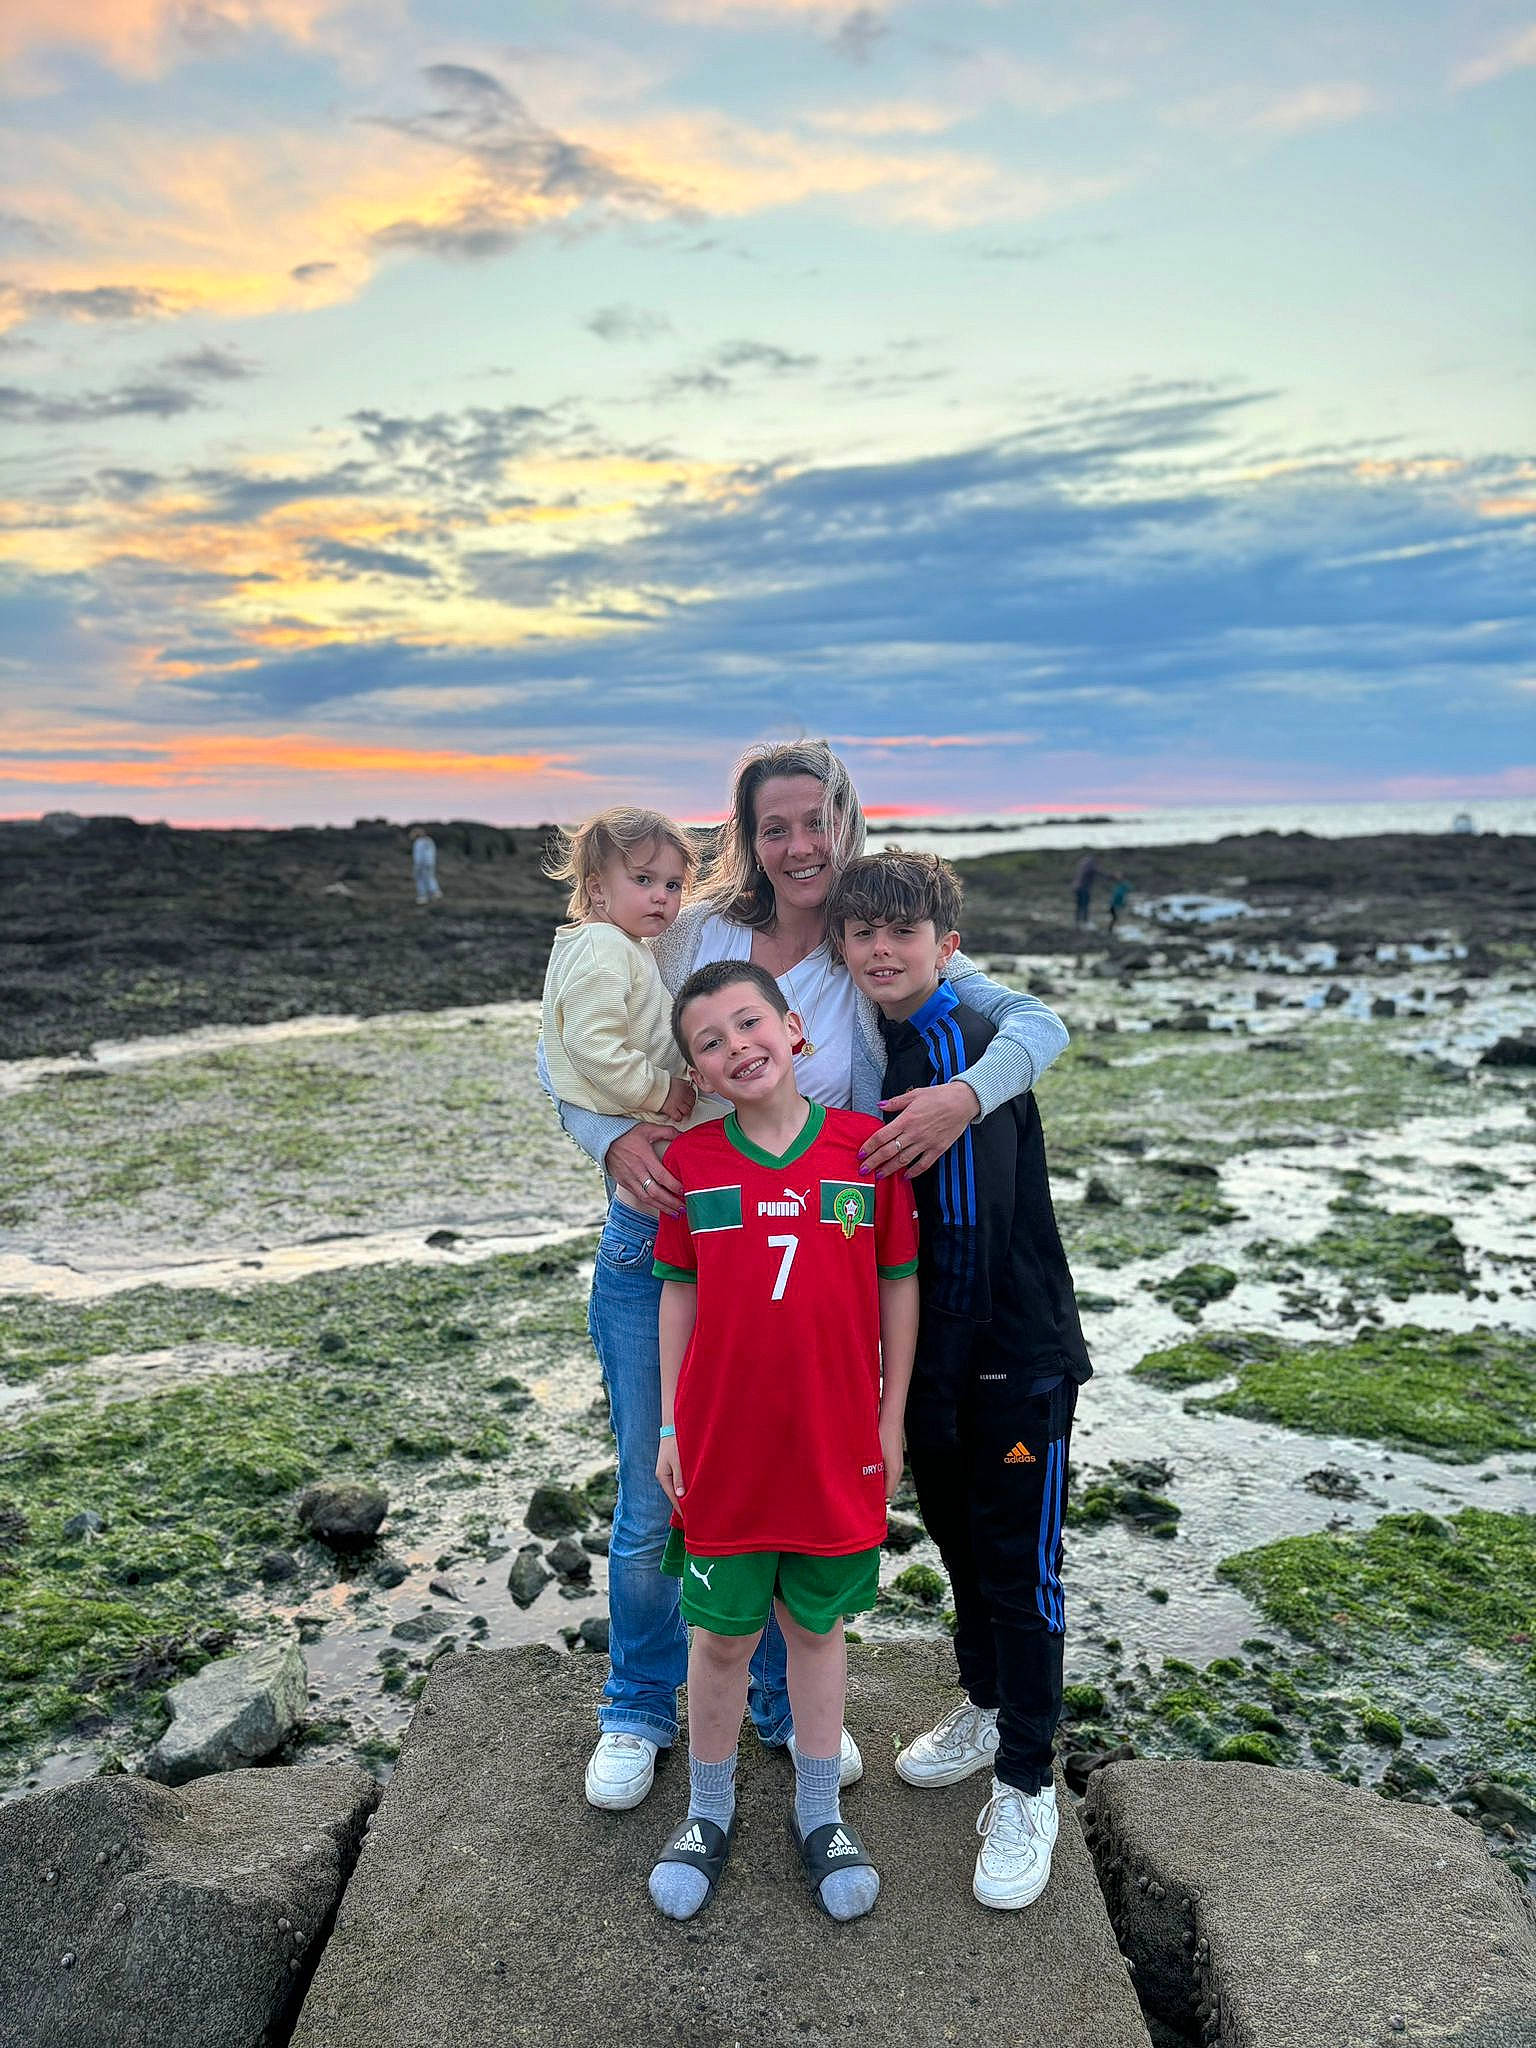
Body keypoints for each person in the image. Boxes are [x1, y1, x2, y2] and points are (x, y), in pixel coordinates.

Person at [536, 739, 1070, 1815]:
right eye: (772, 824)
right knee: (655, 1494)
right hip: (672, 1242)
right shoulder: (691, 929)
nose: (796, 843)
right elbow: (566, 1047)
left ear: (846, 820)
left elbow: (1037, 1023)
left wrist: (964, 1097)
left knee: (789, 1489)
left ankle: (782, 1708)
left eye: (813, 819)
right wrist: (605, 1139)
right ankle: (637, 1708)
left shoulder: (872, 940)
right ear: (745, 834)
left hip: (805, 1263)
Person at [829, 850, 1092, 1911]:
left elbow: (973, 1242)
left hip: (1010, 1363)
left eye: (905, 932)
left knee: (1021, 1570)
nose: (883, 950)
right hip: (931, 1364)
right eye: (864, 934)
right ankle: (985, 1705)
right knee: (958, 1545)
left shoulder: (963, 1047)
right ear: (843, 947)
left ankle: (1029, 1780)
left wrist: (927, 1392)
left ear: (950, 944)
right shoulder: (875, 1043)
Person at [646, 961, 919, 1921]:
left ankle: (818, 1813)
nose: (737, 1047)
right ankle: (707, 1813)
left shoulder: (863, 1150)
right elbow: (677, 1293)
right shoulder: (694, 1166)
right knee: (720, 1638)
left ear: (795, 1029)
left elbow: (898, 1285)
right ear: (702, 1075)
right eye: (710, 1043)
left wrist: (889, 1422)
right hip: (725, 1445)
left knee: (815, 1627)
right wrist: (673, 1424)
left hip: (833, 1440)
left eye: (749, 1022)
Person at [541, 807, 699, 1126]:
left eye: (673, 885)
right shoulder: (604, 948)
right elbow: (592, 1045)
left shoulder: (619, 942)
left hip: (640, 1105)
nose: (661, 897)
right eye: (643, 879)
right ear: (597, 888)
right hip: (639, 1111)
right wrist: (661, 1091)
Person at [410, 828, 442, 904]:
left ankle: (423, 897)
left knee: (420, 879)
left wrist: (417, 867)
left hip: (422, 864)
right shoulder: (429, 841)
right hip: (430, 863)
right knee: (430, 877)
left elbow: (418, 856)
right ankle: (435, 893)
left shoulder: (418, 842)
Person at [1072, 851, 1097, 927]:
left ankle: (1077, 921)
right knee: (1085, 905)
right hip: (1084, 889)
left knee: (1079, 905)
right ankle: (1085, 922)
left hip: (1077, 887)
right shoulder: (1090, 865)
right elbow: (1097, 872)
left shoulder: (1082, 864)